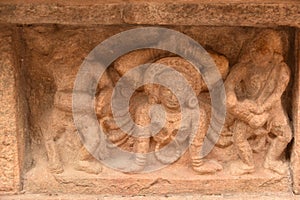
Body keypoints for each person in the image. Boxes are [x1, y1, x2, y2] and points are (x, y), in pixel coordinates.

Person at [225, 29, 292, 175]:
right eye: (255, 50)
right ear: (250, 50)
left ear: (273, 52)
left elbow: (276, 94)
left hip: (271, 109)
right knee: (239, 137)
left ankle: (271, 160)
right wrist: (231, 96)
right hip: (249, 107)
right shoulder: (244, 67)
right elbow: (229, 84)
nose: (259, 54)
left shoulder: (281, 69)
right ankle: (247, 164)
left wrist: (261, 109)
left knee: (286, 135)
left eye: (265, 50)